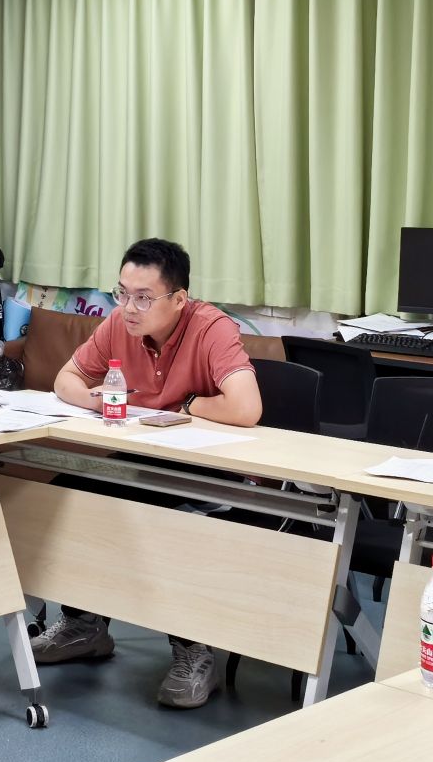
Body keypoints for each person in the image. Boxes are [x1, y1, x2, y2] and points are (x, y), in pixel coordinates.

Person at [31, 237, 263, 709]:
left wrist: (189, 404)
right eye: (122, 293)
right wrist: (96, 399)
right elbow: (65, 379)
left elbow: (246, 408)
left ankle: (194, 648)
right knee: (70, 495)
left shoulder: (211, 327)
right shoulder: (119, 323)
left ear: (179, 299)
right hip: (142, 459)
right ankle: (84, 624)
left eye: (143, 298)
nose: (129, 307)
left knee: (165, 522)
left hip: (209, 466)